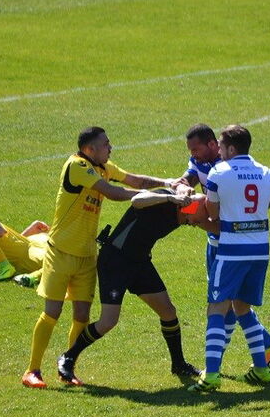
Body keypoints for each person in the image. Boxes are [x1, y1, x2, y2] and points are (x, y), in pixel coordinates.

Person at [22, 126, 176, 389]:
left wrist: (166, 183)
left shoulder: (102, 166)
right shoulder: (77, 166)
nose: (110, 147)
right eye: (105, 144)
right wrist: (158, 198)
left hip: (86, 255)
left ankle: (67, 368)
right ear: (89, 149)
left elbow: (134, 180)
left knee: (81, 315)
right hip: (60, 252)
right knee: (52, 312)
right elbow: (114, 193)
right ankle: (32, 370)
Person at [57, 190, 211, 385]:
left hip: (140, 263)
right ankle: (68, 357)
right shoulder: (166, 200)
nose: (191, 224)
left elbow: (208, 223)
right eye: (192, 220)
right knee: (108, 321)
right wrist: (169, 197)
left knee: (168, 311)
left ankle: (178, 364)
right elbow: (137, 200)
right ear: (186, 206)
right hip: (115, 260)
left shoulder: (188, 211)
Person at [189, 125, 270, 392]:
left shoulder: (219, 173)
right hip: (260, 251)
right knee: (242, 308)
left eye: (222, 146)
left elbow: (213, 213)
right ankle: (261, 369)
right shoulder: (265, 172)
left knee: (216, 308)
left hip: (231, 250)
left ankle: (211, 375)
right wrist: (267, 204)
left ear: (230, 148)